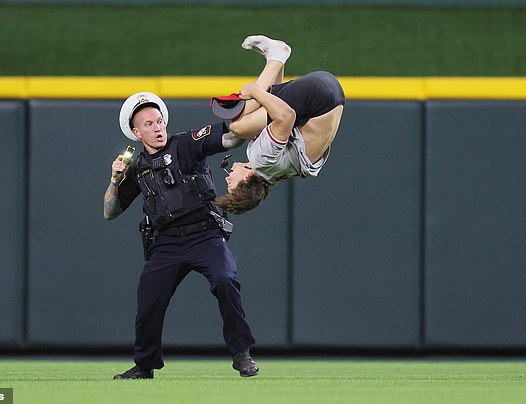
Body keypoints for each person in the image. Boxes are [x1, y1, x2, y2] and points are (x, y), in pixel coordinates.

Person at [104, 91, 259, 379]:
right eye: (149, 124)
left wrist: (247, 121)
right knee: (149, 298)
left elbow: (229, 138)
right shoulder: (137, 168)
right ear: (136, 133)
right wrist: (115, 180)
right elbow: (110, 212)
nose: (158, 127)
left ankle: (242, 354)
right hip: (166, 243)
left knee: (226, 280)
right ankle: (145, 365)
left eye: (160, 121)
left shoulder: (186, 144)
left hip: (205, 234)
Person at [215, 35, 346, 214]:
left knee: (263, 112)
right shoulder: (261, 160)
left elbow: (278, 110)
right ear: (247, 179)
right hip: (318, 96)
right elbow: (286, 115)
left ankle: (276, 59)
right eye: (232, 186)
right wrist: (253, 90)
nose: (227, 180)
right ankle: (277, 56)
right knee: (238, 126)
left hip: (332, 94)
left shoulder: (274, 172)